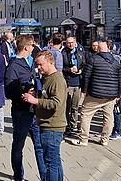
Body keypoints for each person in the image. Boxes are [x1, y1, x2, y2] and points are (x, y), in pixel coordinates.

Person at [68, 41, 121, 147]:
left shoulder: (93, 59)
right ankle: (105, 140)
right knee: (108, 117)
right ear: (108, 49)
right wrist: (118, 94)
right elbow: (120, 79)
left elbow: (86, 76)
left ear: (98, 49)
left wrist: (84, 91)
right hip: (111, 95)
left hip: (94, 94)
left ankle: (84, 139)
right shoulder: (116, 61)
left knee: (85, 115)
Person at [5, 34, 46, 181]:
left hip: (35, 111)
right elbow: (9, 91)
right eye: (32, 46)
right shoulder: (13, 66)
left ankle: (44, 176)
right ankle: (18, 176)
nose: (34, 48)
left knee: (40, 146)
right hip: (21, 112)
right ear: (27, 47)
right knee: (18, 146)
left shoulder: (32, 62)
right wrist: (23, 92)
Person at [22, 51, 68, 181]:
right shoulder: (47, 78)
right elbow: (46, 96)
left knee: (50, 164)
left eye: (41, 65)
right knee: (55, 162)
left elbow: (56, 103)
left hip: (52, 126)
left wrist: (35, 101)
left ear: (51, 62)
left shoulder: (57, 79)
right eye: (37, 65)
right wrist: (34, 93)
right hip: (47, 124)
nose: (38, 68)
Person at [61, 36, 86, 138]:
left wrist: (81, 71)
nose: (70, 44)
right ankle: (66, 126)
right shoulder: (63, 53)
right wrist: (69, 70)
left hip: (78, 83)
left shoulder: (80, 52)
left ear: (75, 42)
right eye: (68, 43)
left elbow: (84, 64)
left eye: (72, 42)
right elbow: (61, 67)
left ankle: (73, 125)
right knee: (67, 106)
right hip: (68, 82)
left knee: (75, 106)